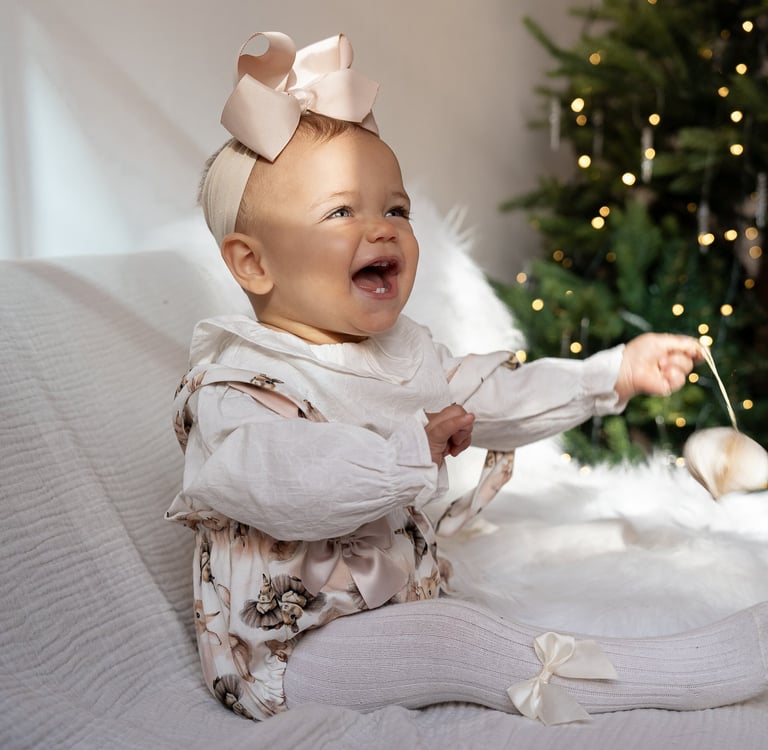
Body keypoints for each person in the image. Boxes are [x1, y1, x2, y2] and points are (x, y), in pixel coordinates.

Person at [167, 31, 768, 726]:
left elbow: (494, 398)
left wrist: (613, 374)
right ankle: (668, 673)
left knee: (459, 609)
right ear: (253, 264)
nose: (383, 228)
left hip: (387, 600)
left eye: (395, 209)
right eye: (341, 211)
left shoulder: (400, 353)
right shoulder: (237, 384)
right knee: (456, 640)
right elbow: (283, 483)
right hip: (290, 649)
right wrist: (404, 453)